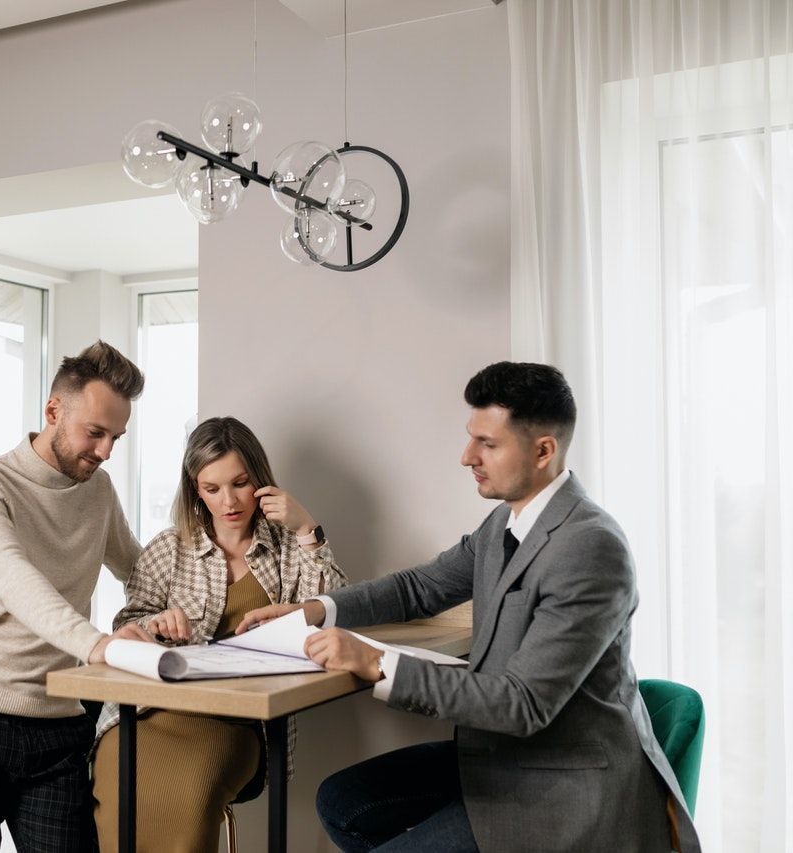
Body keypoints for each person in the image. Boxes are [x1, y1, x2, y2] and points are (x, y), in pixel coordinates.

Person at [238, 362, 701, 853]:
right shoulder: (503, 523)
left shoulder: (589, 548)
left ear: (544, 450)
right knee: (343, 801)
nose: (466, 457)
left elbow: (522, 704)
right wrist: (314, 610)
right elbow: (420, 587)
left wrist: (374, 663)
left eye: (488, 444)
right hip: (501, 757)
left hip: (561, 792)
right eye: (470, 438)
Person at [0, 341, 155, 853]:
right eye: (95, 432)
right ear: (53, 411)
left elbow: (138, 569)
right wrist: (100, 646)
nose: (106, 450)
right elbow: (12, 577)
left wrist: (179, 608)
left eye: (116, 436)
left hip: (59, 725)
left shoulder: (99, 490)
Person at [92, 416, 347, 853]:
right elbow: (125, 628)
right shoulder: (169, 548)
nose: (228, 500)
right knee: (119, 788)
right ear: (195, 489)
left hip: (238, 722)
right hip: (150, 713)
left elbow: (332, 614)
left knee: (191, 795)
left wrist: (307, 529)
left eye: (240, 483)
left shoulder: (289, 548)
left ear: (261, 482)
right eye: (212, 489)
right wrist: (155, 627)